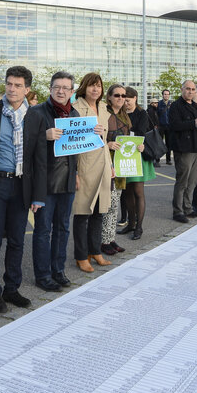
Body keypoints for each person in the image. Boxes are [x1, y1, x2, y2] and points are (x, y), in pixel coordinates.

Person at [0, 66, 46, 313]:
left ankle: (11, 288)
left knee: (17, 240)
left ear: (27, 89)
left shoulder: (35, 115)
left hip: (22, 185)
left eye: (18, 85)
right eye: (9, 84)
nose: (12, 89)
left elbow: (39, 158)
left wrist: (38, 195)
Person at [30, 71, 82, 290]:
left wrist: (76, 173)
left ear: (72, 92)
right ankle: (42, 275)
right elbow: (25, 144)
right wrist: (44, 135)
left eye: (65, 88)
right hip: (46, 180)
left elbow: (77, 148)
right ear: (50, 89)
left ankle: (58, 270)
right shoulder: (36, 112)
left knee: (63, 227)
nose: (61, 91)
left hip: (68, 179)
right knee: (43, 230)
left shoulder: (76, 115)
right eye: (57, 87)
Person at [72, 73, 115, 265]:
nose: (95, 89)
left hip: (103, 163)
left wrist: (111, 165)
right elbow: (71, 141)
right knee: (82, 213)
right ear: (84, 87)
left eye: (98, 86)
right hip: (85, 165)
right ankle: (81, 256)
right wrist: (74, 172)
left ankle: (95, 251)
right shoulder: (75, 108)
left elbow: (105, 141)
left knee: (99, 211)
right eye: (91, 86)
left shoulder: (104, 108)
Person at [169, 80, 197, 223]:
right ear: (182, 89)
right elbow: (175, 125)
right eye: (188, 89)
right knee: (182, 181)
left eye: (193, 89)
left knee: (192, 182)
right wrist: (194, 122)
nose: (190, 91)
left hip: (195, 148)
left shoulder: (194, 106)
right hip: (183, 148)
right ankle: (178, 211)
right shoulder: (175, 106)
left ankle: (188, 208)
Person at [100, 84, 130, 261]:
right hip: (107, 162)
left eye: (123, 95)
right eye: (117, 95)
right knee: (108, 204)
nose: (121, 98)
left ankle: (110, 238)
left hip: (121, 163)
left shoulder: (123, 115)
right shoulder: (104, 113)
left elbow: (129, 138)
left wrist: (138, 146)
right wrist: (107, 144)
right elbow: (96, 138)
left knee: (115, 203)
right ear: (109, 97)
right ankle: (103, 240)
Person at [122, 87, 155, 240]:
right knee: (127, 192)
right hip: (124, 156)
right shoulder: (119, 113)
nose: (125, 102)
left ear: (135, 98)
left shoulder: (142, 113)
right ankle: (131, 224)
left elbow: (141, 132)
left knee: (138, 192)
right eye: (124, 100)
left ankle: (139, 227)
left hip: (138, 155)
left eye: (128, 100)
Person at [156, 89, 172, 164]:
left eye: (167, 94)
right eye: (165, 94)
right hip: (161, 126)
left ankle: (168, 160)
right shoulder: (159, 104)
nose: (166, 95)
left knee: (168, 143)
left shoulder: (171, 104)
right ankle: (157, 160)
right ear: (162, 95)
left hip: (169, 126)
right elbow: (156, 115)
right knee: (159, 143)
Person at [147, 98, 161, 167]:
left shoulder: (154, 110)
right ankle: (156, 160)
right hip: (152, 131)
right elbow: (152, 121)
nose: (156, 104)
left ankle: (155, 160)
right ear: (151, 103)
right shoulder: (151, 110)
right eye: (155, 103)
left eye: (157, 103)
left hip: (153, 130)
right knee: (155, 146)